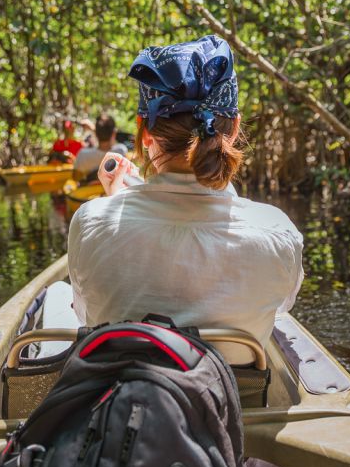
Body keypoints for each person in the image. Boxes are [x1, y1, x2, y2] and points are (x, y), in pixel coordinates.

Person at [67, 35, 304, 364]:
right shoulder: (277, 231)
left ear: (144, 131)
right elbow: (279, 307)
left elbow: (85, 314)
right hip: (233, 404)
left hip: (123, 401)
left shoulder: (90, 221)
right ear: (234, 127)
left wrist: (112, 205)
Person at [72, 114, 129, 180]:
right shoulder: (120, 152)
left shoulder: (83, 154)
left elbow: (75, 178)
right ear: (114, 133)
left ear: (95, 133)